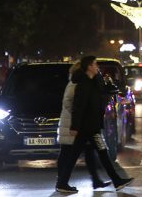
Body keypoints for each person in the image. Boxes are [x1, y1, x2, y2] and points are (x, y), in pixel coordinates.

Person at [55, 56, 133, 193]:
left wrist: (108, 90)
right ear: (89, 67)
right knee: (96, 153)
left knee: (86, 154)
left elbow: (97, 100)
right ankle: (116, 180)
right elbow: (78, 106)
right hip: (87, 127)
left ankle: (65, 182)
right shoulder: (82, 84)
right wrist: (75, 126)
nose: (97, 67)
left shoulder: (92, 82)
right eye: (95, 64)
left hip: (90, 126)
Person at [56, 62, 109, 193]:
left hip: (80, 125)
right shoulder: (74, 84)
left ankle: (95, 180)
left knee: (89, 151)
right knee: (67, 153)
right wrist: (79, 115)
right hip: (71, 124)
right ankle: (61, 182)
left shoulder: (81, 83)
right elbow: (68, 102)